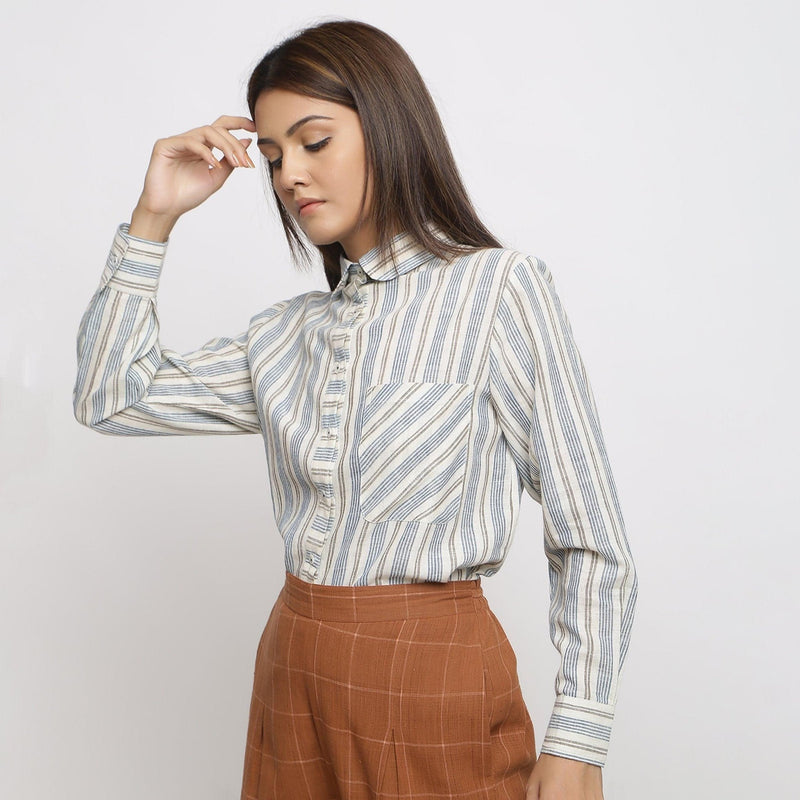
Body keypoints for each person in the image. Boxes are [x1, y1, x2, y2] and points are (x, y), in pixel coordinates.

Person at [73, 18, 637, 800]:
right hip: (293, 669)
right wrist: (153, 217)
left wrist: (579, 736)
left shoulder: (498, 291)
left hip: (433, 676)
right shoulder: (284, 336)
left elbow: (591, 533)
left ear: (389, 129)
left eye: (313, 141)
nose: (289, 176)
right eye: (271, 157)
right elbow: (111, 397)